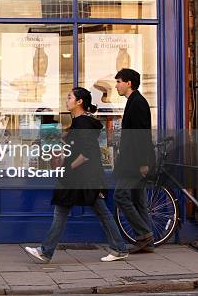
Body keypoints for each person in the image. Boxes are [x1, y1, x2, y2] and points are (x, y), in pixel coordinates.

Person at [24, 87, 129, 263]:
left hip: (82, 177)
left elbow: (87, 152)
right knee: (69, 212)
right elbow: (79, 147)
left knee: (96, 212)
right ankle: (46, 251)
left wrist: (70, 166)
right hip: (83, 177)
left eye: (69, 97)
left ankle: (46, 251)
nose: (67, 100)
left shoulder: (82, 123)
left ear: (79, 102)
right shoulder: (81, 122)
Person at [113, 68, 155, 253]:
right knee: (138, 200)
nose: (116, 86)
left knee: (120, 195)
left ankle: (144, 234)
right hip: (134, 160)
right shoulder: (134, 101)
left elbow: (142, 134)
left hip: (135, 162)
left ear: (129, 83)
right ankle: (147, 242)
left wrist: (143, 162)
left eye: (119, 82)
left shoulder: (137, 102)